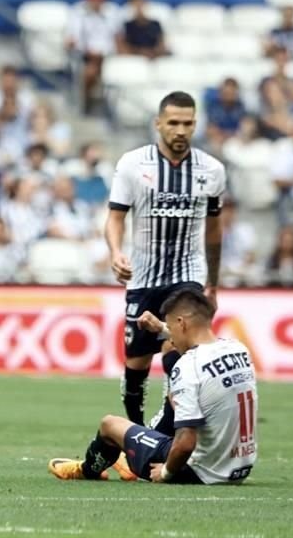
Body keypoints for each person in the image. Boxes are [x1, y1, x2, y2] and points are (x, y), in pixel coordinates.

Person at [48, 288, 258, 484]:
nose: (170, 339)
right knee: (178, 401)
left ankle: (88, 470)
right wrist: (162, 328)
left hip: (199, 471)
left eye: (171, 329)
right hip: (239, 468)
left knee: (109, 425)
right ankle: (129, 453)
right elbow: (195, 346)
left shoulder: (187, 366)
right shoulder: (238, 349)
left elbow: (186, 443)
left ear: (181, 323)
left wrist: (166, 472)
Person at [105, 91, 226, 431]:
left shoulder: (212, 170)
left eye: (187, 123)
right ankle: (136, 432)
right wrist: (115, 253)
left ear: (195, 125)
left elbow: (214, 229)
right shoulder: (133, 164)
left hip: (188, 275)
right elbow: (115, 217)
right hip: (143, 278)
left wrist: (212, 282)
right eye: (173, 123)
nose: (180, 130)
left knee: (181, 349)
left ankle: (171, 430)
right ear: (158, 123)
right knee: (136, 364)